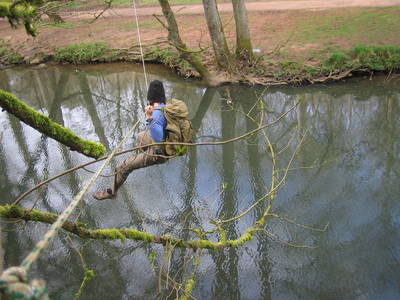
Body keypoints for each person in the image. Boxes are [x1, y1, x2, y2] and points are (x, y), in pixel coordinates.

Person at [93, 80, 168, 200]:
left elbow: (158, 137)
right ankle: (143, 156)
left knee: (122, 167)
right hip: (168, 143)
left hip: (160, 152)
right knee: (140, 136)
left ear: (151, 98)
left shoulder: (157, 114)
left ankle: (111, 192)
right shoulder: (164, 108)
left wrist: (149, 118)